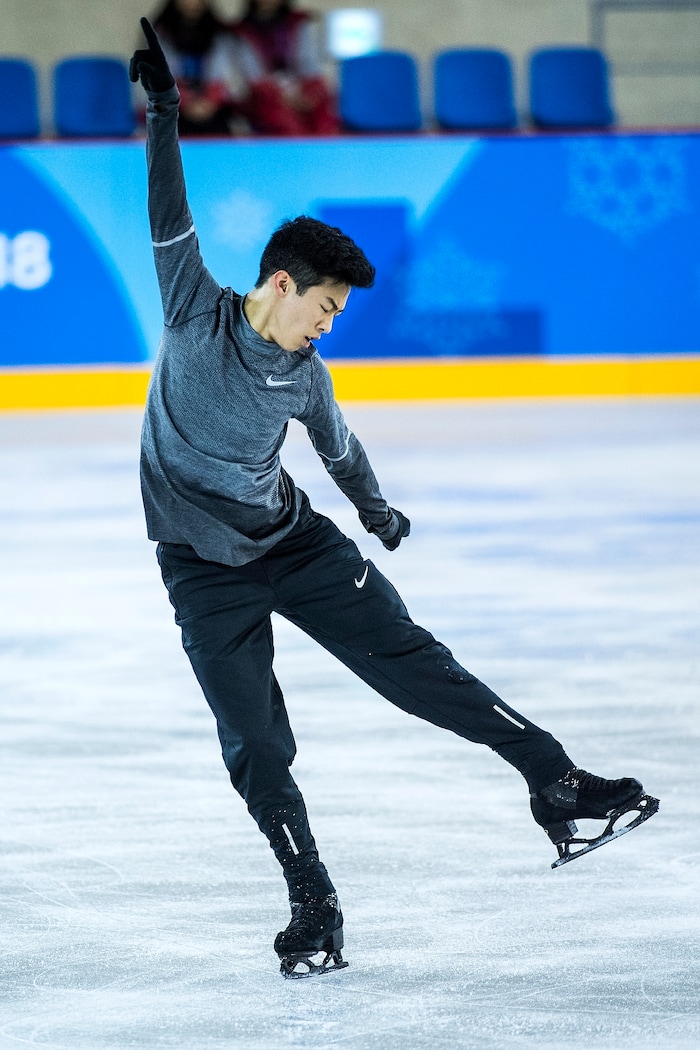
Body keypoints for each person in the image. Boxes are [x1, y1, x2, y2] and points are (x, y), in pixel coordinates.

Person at [129, 19, 658, 979]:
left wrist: (375, 515)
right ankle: (312, 901)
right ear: (281, 286)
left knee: (417, 666)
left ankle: (555, 779)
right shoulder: (189, 304)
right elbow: (169, 204)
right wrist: (166, 110)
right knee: (255, 741)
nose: (330, 325)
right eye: (325, 306)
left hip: (292, 543)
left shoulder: (307, 377)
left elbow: (341, 450)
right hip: (201, 570)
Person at [229, 0, 339, 136]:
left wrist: (306, 92)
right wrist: (284, 94)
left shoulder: (299, 22)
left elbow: (309, 63)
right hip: (264, 92)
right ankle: (297, 153)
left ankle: (325, 151)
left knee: (322, 105)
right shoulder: (241, 30)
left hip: (300, 85)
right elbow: (251, 74)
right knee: (281, 115)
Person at [149, 0, 239, 135]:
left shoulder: (221, 34)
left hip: (215, 110)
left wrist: (212, 100)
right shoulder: (158, 33)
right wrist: (185, 102)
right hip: (172, 110)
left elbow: (230, 78)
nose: (193, 2)